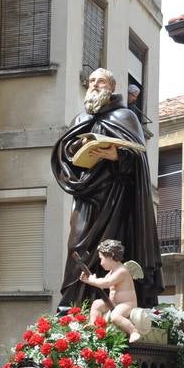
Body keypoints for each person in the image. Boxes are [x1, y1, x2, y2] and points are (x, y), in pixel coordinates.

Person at [52, 68, 162, 308]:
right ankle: (74, 309)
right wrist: (76, 148)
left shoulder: (126, 117)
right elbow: (64, 153)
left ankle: (109, 306)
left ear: (111, 87)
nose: (94, 85)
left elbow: (138, 158)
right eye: (91, 81)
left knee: (111, 248)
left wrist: (116, 154)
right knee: (77, 246)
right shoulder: (80, 120)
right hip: (86, 197)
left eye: (100, 81)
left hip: (116, 197)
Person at [79, 239, 143, 343]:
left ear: (111, 256)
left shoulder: (122, 271)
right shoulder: (113, 272)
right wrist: (88, 281)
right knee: (96, 304)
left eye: (101, 259)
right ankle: (93, 324)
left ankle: (133, 331)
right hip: (113, 303)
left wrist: (92, 280)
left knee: (115, 316)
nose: (100, 263)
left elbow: (106, 283)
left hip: (126, 304)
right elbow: (102, 281)